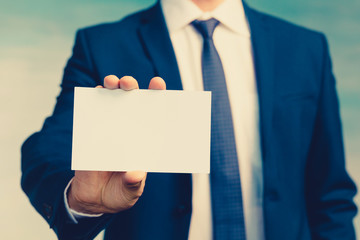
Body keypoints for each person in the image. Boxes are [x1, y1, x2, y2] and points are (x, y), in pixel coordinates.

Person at [21, 0, 357, 239]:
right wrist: (81, 200)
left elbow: (329, 194)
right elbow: (49, 149)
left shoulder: (305, 48)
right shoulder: (103, 45)